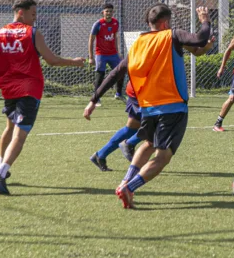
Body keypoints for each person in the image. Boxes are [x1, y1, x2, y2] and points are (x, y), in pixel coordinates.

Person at [83, 4, 211, 208]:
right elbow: (200, 39)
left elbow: (116, 72)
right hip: (173, 108)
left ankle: (125, 180)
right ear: (165, 23)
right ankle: (129, 188)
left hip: (148, 109)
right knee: (162, 158)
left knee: (148, 145)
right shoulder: (172, 35)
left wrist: (93, 99)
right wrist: (205, 19)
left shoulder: (138, 44)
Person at [0, 0, 86, 195]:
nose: (35, 18)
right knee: (20, 136)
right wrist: (74, 62)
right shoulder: (32, 33)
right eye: (33, 14)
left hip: (8, 90)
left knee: (10, 127)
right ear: (21, 12)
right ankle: (1, 174)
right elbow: (52, 60)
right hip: (29, 90)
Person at [89, 36, 216, 171]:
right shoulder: (160, 43)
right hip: (141, 93)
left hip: (141, 91)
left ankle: (100, 155)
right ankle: (128, 144)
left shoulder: (170, 40)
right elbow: (118, 72)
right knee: (156, 126)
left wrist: (207, 45)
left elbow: (196, 50)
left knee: (132, 128)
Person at [88, 3, 124, 104]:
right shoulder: (98, 24)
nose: (108, 13)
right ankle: (96, 98)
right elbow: (91, 40)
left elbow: (115, 37)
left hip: (113, 54)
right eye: (106, 11)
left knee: (121, 71)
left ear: (113, 12)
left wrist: (118, 52)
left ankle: (119, 94)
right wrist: (91, 57)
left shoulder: (116, 23)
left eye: (110, 11)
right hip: (101, 54)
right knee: (100, 74)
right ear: (103, 12)